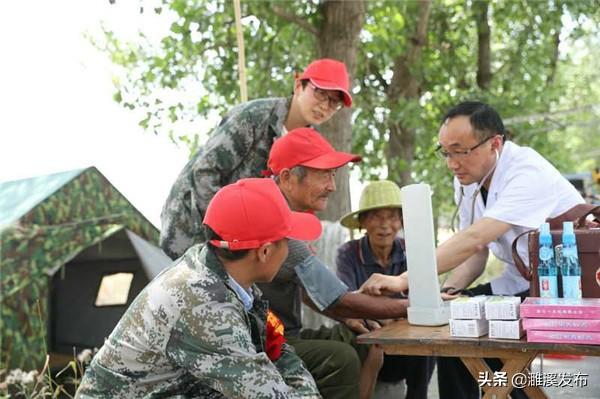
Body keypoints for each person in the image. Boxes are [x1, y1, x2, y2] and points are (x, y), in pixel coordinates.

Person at [360, 101, 584, 399]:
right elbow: (476, 254)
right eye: (445, 152)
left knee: (501, 353)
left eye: (460, 151)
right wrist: (452, 289)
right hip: (520, 283)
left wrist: (403, 279)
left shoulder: (527, 171)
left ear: (495, 143)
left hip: (565, 288)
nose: (451, 163)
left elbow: (476, 238)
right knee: (455, 332)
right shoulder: (468, 181)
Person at [76, 178, 324, 399]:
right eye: (288, 241)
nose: (291, 250)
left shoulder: (221, 274)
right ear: (265, 252)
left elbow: (276, 346)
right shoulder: (204, 302)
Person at [258, 128, 411, 399]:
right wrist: (411, 307)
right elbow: (338, 299)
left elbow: (312, 292)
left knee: (361, 335)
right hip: (261, 340)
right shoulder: (278, 226)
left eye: (333, 175)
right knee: (341, 357)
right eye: (324, 175)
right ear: (288, 178)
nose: (333, 186)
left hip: (283, 332)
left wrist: (350, 316)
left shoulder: (286, 217)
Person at [160, 58, 353, 259]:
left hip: (242, 245)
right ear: (298, 86)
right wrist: (229, 232)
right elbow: (204, 172)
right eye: (320, 93)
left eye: (334, 102)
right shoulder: (253, 117)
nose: (324, 105)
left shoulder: (312, 145)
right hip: (192, 223)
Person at [336, 180, 434, 399]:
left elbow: (424, 298)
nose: (385, 224)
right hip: (366, 334)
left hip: (406, 337)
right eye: (376, 216)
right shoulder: (348, 253)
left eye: (392, 216)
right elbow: (346, 302)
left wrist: (387, 315)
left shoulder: (410, 250)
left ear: (401, 220)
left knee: (427, 344)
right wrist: (389, 316)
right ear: (363, 222)